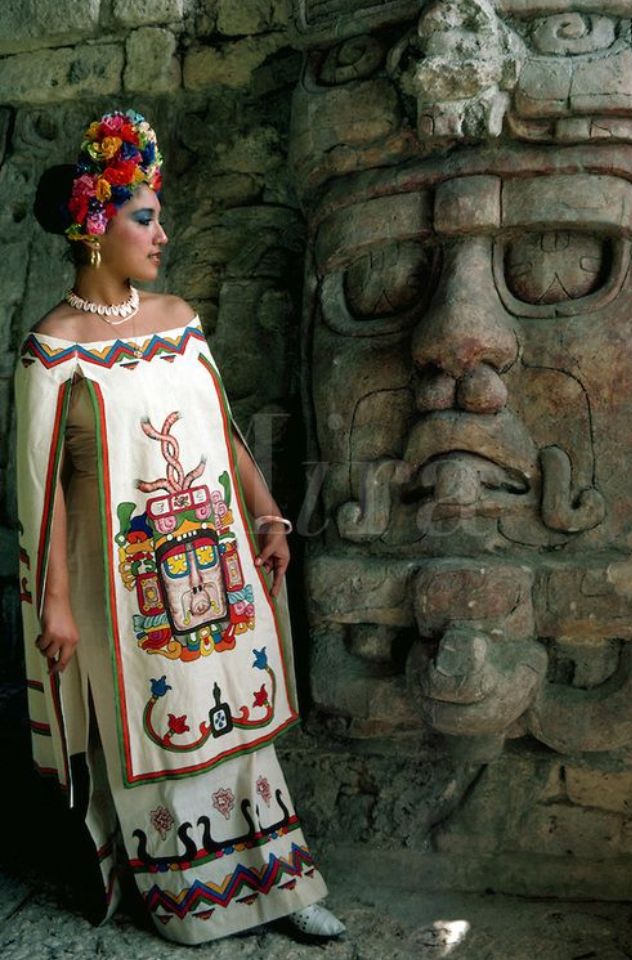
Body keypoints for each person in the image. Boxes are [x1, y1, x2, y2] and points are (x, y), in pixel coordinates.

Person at [14, 109, 345, 944]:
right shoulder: (54, 351)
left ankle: (286, 883)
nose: (164, 232)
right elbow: (41, 490)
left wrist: (268, 513)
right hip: (124, 588)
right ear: (96, 227)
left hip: (216, 566)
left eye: (160, 215)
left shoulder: (181, 318)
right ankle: (188, 897)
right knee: (164, 732)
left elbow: (225, 433)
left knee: (237, 716)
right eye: (146, 216)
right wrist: (54, 604)